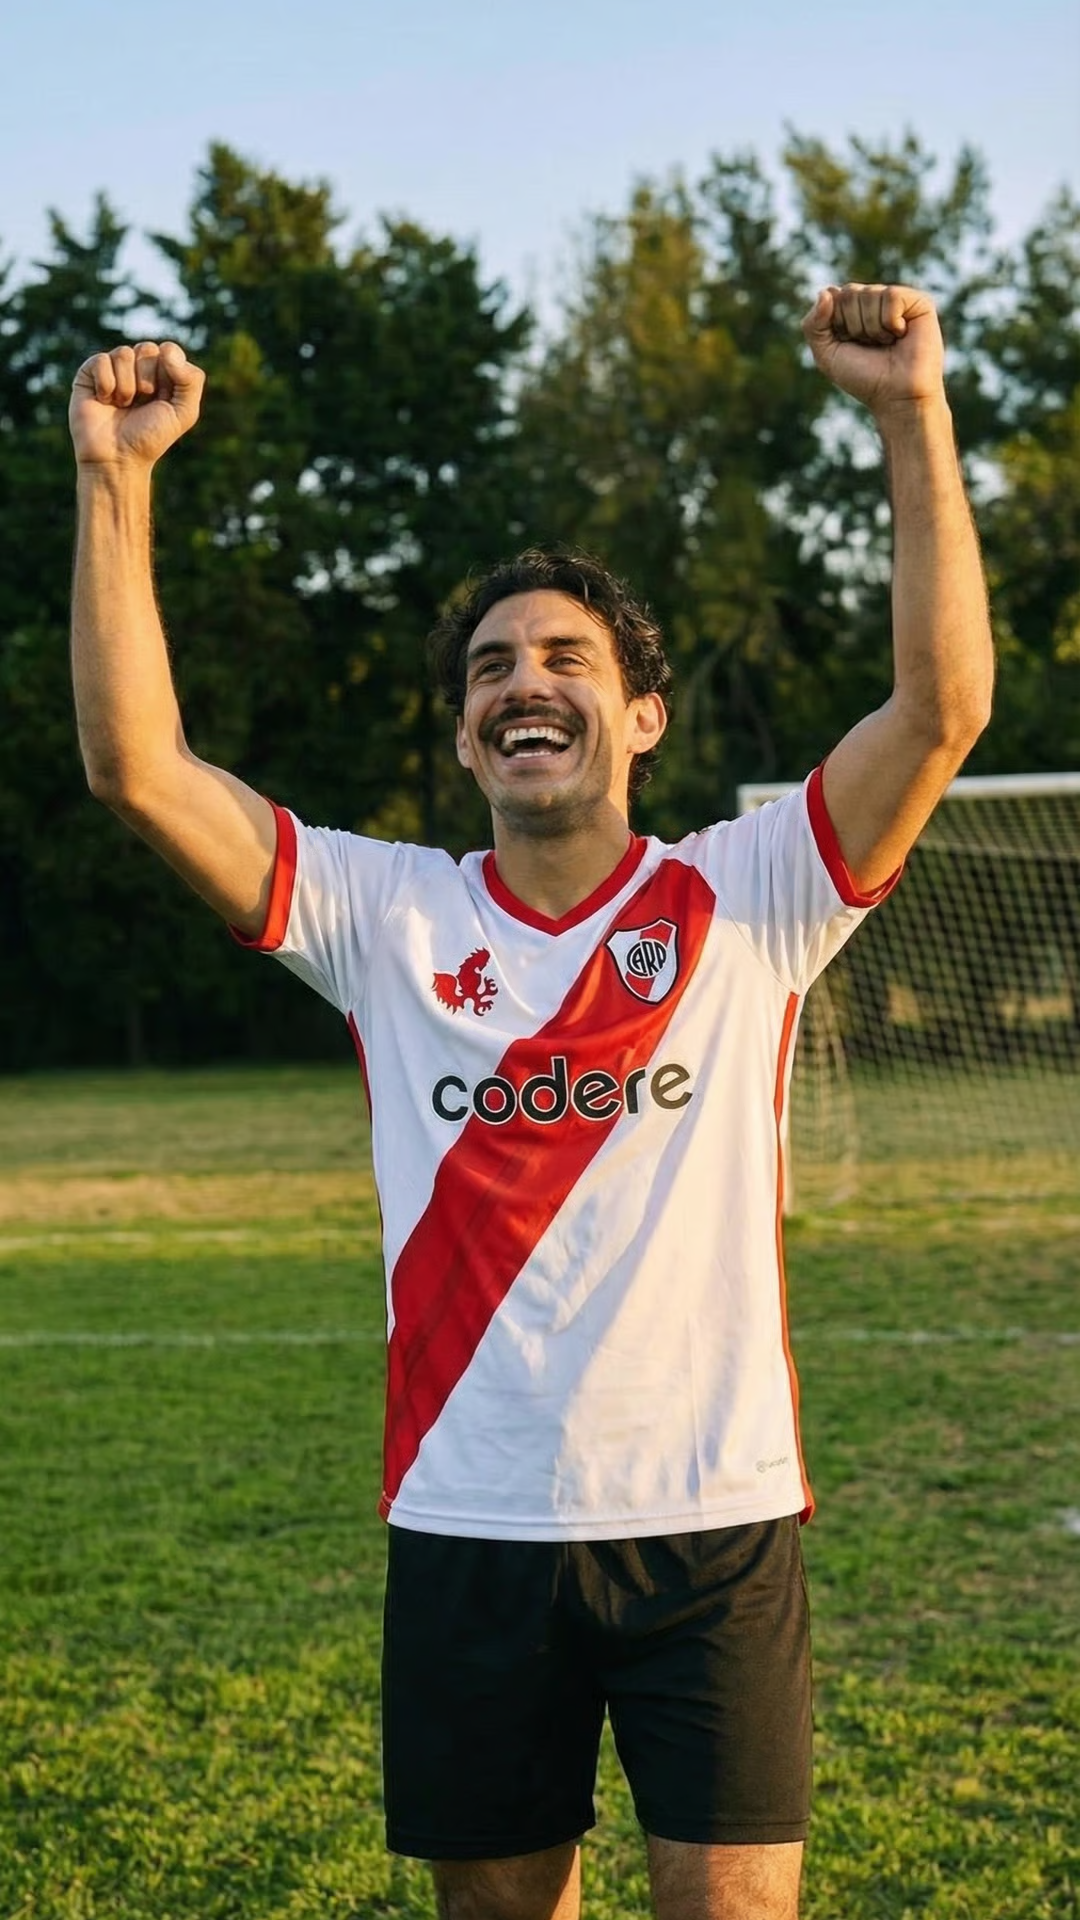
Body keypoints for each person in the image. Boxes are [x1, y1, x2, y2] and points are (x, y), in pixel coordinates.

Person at [69, 283, 993, 1920]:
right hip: (470, 1520)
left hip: (716, 1529)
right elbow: (140, 768)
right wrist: (115, 477)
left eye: (565, 654)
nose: (523, 680)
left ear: (640, 716)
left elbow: (940, 713)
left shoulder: (754, 894)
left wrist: (913, 414)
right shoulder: (384, 916)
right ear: (468, 736)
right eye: (492, 666)